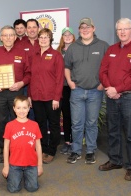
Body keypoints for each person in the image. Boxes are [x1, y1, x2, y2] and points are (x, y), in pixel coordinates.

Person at [99, 18, 131, 181]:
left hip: (129, 98)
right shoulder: (111, 49)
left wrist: (117, 89)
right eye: (119, 29)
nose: (122, 32)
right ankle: (115, 161)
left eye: (126, 29)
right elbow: (103, 71)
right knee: (113, 131)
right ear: (116, 31)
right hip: (112, 97)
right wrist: (110, 89)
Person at [64, 17, 109, 164]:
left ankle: (90, 151)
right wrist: (70, 82)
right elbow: (67, 67)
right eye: (82, 27)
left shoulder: (103, 46)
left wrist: (103, 83)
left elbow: (108, 68)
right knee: (76, 123)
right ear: (79, 30)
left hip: (95, 91)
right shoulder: (73, 47)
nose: (85, 29)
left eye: (88, 27)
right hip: (77, 91)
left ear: (93, 28)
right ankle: (76, 151)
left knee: (91, 123)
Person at [0, 25, 30, 163]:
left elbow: (28, 73)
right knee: (1, 122)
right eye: (5, 35)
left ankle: (17, 148)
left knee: (18, 121)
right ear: (1, 37)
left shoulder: (22, 52)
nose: (8, 38)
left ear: (15, 37)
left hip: (17, 93)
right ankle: (3, 149)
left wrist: (21, 83)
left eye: (11, 35)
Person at [28, 28, 64, 164]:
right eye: (41, 37)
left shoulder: (56, 55)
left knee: (54, 124)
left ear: (50, 39)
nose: (43, 39)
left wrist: (56, 97)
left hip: (51, 97)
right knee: (40, 124)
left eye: (46, 37)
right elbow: (31, 77)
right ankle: (42, 148)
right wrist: (30, 96)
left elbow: (59, 78)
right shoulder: (34, 55)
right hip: (36, 97)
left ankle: (51, 150)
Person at [2, 95, 43, 193]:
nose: (21, 111)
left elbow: (38, 146)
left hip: (31, 163)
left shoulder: (34, 125)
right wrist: (6, 166)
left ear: (29, 108)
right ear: (14, 109)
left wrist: (40, 165)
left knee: (32, 188)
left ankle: (25, 176)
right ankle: (15, 176)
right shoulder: (9, 125)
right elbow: (6, 147)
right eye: (18, 108)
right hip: (15, 164)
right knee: (13, 189)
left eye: (25, 107)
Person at [56, 27, 75, 155]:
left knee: (69, 115)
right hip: (58, 88)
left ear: (73, 36)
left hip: (71, 87)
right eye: (65, 35)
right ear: (62, 37)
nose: (67, 36)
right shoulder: (57, 51)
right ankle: (63, 141)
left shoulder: (77, 50)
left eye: (69, 34)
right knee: (58, 115)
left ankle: (71, 141)